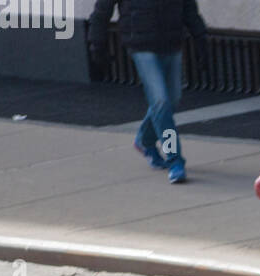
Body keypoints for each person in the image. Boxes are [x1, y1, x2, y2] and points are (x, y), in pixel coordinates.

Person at [87, 0, 208, 184]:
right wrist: (97, 45)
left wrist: (201, 39)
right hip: (141, 45)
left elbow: (189, 7)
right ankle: (174, 159)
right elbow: (102, 11)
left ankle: (144, 139)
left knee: (172, 99)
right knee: (161, 101)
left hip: (171, 43)